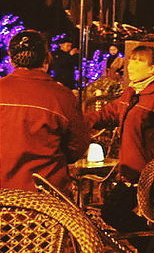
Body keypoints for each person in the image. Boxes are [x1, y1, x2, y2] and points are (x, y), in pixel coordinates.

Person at [87, 45, 154, 231]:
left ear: (153, 69)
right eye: (131, 59)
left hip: (149, 174)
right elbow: (110, 113)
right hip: (130, 171)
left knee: (113, 212)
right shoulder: (134, 91)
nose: (131, 65)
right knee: (113, 211)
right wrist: (81, 121)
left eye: (139, 61)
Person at [0, 30, 90, 192]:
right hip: (45, 195)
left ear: (12, 60)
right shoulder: (62, 96)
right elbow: (77, 146)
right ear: (46, 58)